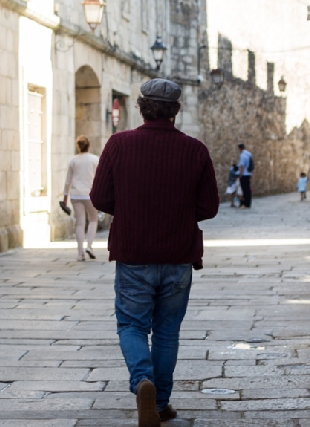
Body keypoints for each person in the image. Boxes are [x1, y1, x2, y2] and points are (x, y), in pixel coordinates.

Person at [90, 78, 219, 427]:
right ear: (176, 110)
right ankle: (159, 403)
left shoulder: (118, 144)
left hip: (134, 253)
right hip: (178, 256)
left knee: (131, 324)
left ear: (141, 107)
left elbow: (100, 198)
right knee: (166, 331)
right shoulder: (195, 150)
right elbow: (209, 207)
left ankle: (142, 381)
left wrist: (132, 208)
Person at [62, 135, 100, 261]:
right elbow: (99, 178)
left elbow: (68, 181)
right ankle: (89, 246)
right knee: (93, 219)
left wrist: (65, 198)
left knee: (79, 223)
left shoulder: (73, 160)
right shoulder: (95, 159)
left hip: (75, 194)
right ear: (89, 146)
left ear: (78, 147)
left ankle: (80, 253)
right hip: (90, 194)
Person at [237, 143, 253, 208]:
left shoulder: (243, 155)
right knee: (248, 189)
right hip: (249, 173)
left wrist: (240, 174)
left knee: (244, 189)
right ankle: (248, 203)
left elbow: (242, 166)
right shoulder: (249, 154)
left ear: (240, 148)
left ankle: (245, 204)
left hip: (244, 174)